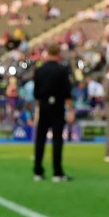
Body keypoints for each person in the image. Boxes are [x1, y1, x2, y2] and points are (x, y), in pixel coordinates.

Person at [32, 44, 74, 182]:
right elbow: (67, 93)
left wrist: (38, 108)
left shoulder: (39, 70)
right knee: (57, 140)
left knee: (40, 139)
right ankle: (57, 172)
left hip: (43, 106)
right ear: (58, 54)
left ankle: (38, 170)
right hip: (57, 106)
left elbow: (36, 93)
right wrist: (71, 110)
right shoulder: (62, 70)